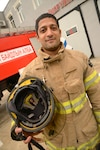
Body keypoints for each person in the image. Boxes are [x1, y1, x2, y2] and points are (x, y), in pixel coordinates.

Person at [10, 13, 100, 150]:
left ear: (59, 32)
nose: (49, 33)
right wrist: (18, 128)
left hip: (90, 139)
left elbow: (97, 97)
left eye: (53, 28)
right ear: (37, 37)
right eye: (43, 30)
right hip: (59, 144)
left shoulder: (79, 59)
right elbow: (17, 107)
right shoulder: (30, 72)